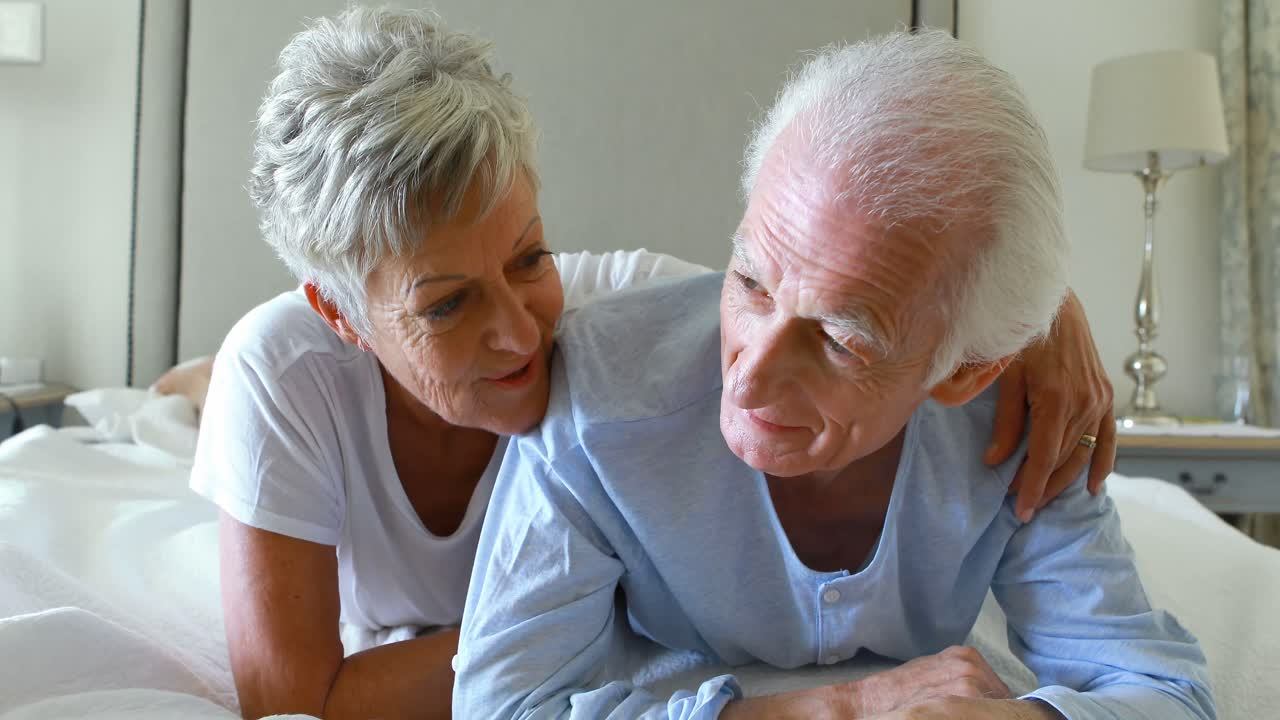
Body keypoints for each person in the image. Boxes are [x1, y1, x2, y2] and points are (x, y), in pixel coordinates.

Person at [192, 8, 1114, 719]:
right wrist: (592, 623)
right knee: (195, 396)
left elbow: (822, 286)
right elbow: (295, 701)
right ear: (344, 314)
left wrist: (1042, 315)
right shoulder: (284, 374)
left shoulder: (614, 316)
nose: (520, 334)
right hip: (276, 391)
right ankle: (179, 390)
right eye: (447, 304)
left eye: (528, 258)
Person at [454, 30, 1214, 720]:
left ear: (966, 371)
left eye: (840, 339)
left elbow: (1163, 691)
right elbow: (501, 709)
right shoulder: (595, 408)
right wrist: (841, 709)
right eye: (750, 283)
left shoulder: (1025, 415)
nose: (747, 383)